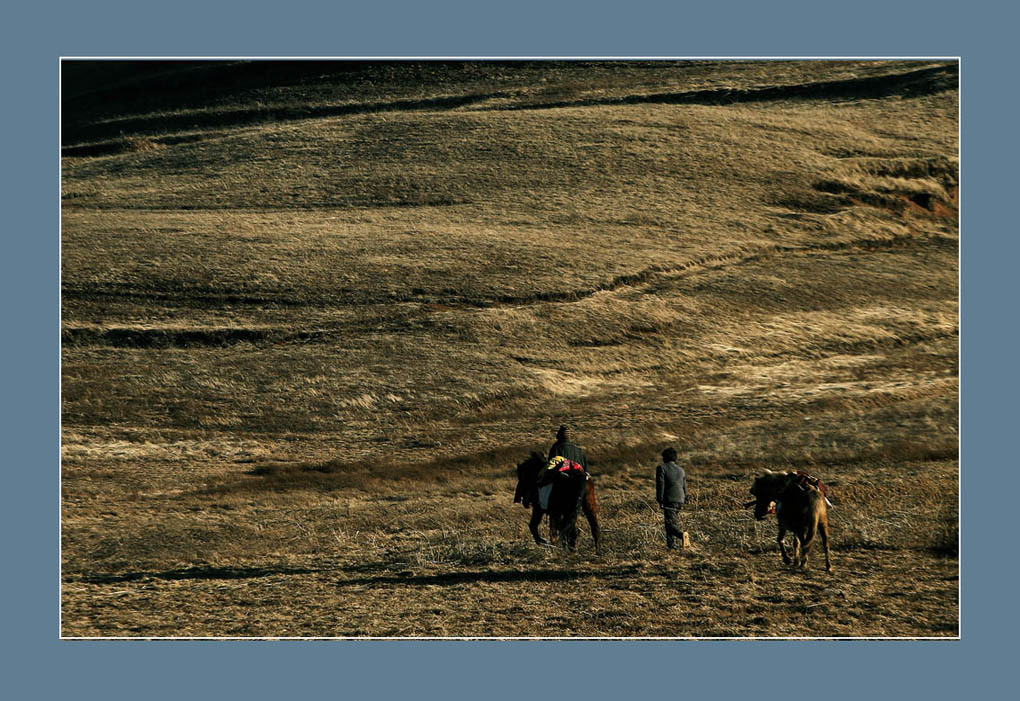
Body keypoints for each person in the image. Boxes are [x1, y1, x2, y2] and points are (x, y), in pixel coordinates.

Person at [656, 447, 687, 550]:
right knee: (671, 522)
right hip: (680, 499)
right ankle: (671, 546)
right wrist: (684, 498)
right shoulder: (681, 470)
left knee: (669, 524)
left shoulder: (662, 468)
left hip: (669, 499)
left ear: (664, 457)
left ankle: (682, 535)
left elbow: (661, 485)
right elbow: (684, 486)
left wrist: (660, 499)